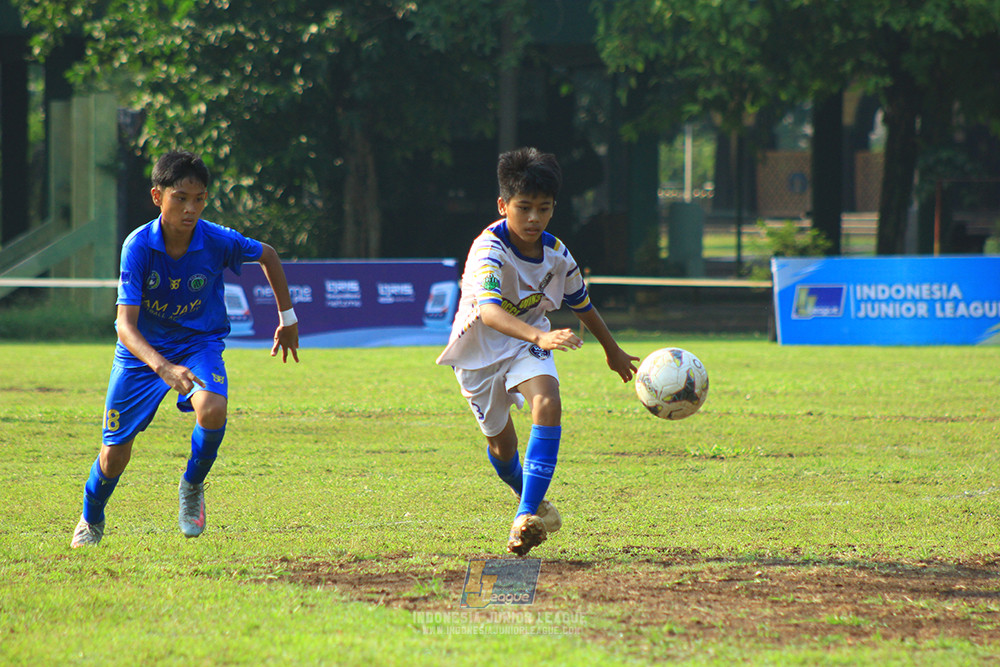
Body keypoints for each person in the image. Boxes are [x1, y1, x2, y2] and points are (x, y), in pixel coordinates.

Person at [71, 150, 301, 547]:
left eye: (198, 199)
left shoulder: (217, 240)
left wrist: (288, 319)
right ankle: (91, 518)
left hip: (198, 342)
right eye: (180, 198)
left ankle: (192, 485)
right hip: (142, 354)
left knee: (212, 408)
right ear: (158, 197)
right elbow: (125, 327)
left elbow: (269, 255)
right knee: (114, 456)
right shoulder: (138, 246)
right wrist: (163, 368)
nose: (190, 208)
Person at [436, 147, 638, 556]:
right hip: (478, 352)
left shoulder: (558, 254)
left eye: (543, 209)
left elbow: (582, 303)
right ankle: (525, 493)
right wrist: (540, 336)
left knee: (547, 402)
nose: (533, 218)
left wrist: (612, 350)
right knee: (502, 448)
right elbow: (490, 313)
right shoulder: (488, 250)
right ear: (502, 205)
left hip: (526, 345)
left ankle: (524, 519)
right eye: (523, 207)